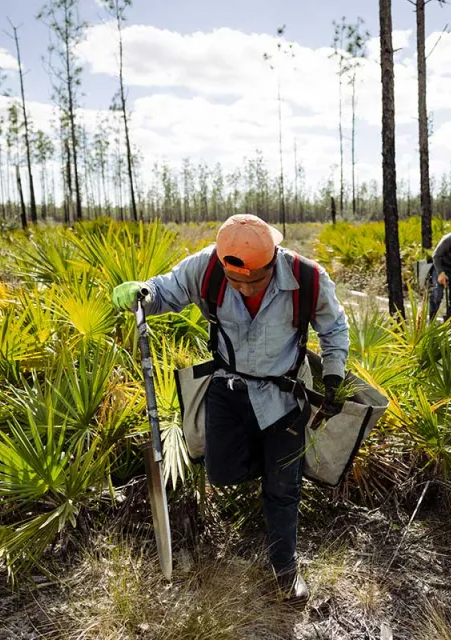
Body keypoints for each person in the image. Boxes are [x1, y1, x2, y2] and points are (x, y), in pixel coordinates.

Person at [111, 214, 349, 604]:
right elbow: (165, 292)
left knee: (283, 488)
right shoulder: (206, 267)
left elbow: (334, 328)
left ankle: (285, 568)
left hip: (284, 395)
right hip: (228, 388)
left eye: (253, 280)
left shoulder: (307, 278)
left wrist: (335, 374)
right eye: (235, 279)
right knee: (221, 471)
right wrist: (143, 293)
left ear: (274, 259)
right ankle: (273, 472)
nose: (243, 286)